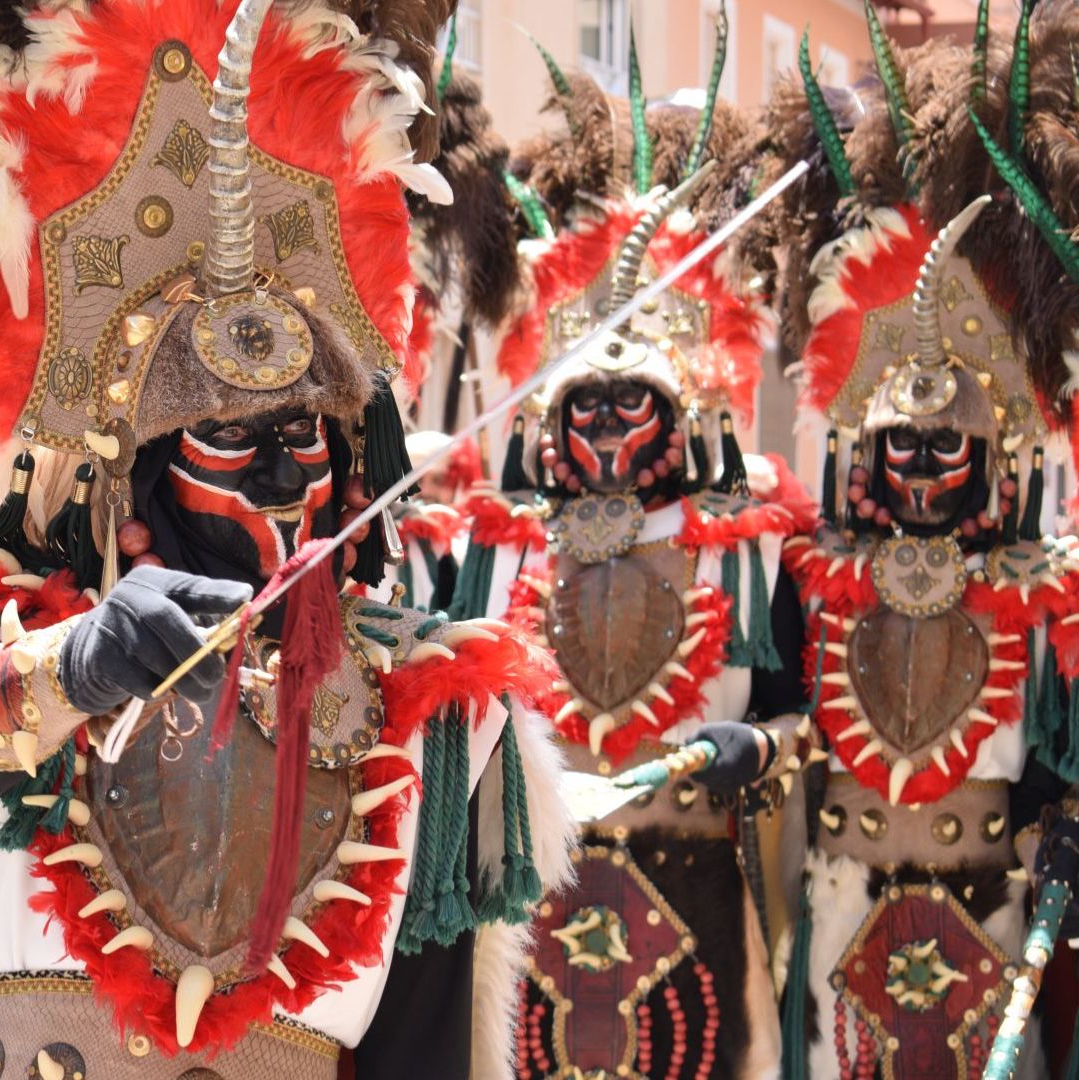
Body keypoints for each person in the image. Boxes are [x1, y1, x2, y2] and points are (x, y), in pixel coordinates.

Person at [0, 0, 578, 1075]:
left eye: (302, 435)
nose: (278, 471)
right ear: (137, 473)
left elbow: (427, 1052)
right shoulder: (17, 653)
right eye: (225, 436)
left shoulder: (435, 712)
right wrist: (81, 662)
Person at [457, 38, 816, 1079]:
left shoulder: (746, 544)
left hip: (699, 903)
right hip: (528, 926)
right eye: (585, 403)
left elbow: (799, 712)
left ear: (680, 408)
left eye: (633, 401)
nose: (607, 425)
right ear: (548, 413)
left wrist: (766, 751)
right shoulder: (490, 544)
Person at [768, 14, 1079, 1077]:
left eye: (946, 442)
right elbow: (776, 721)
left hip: (994, 918)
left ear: (1001, 453)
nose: (919, 462)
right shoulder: (812, 576)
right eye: (897, 439)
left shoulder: (1053, 596)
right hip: (838, 912)